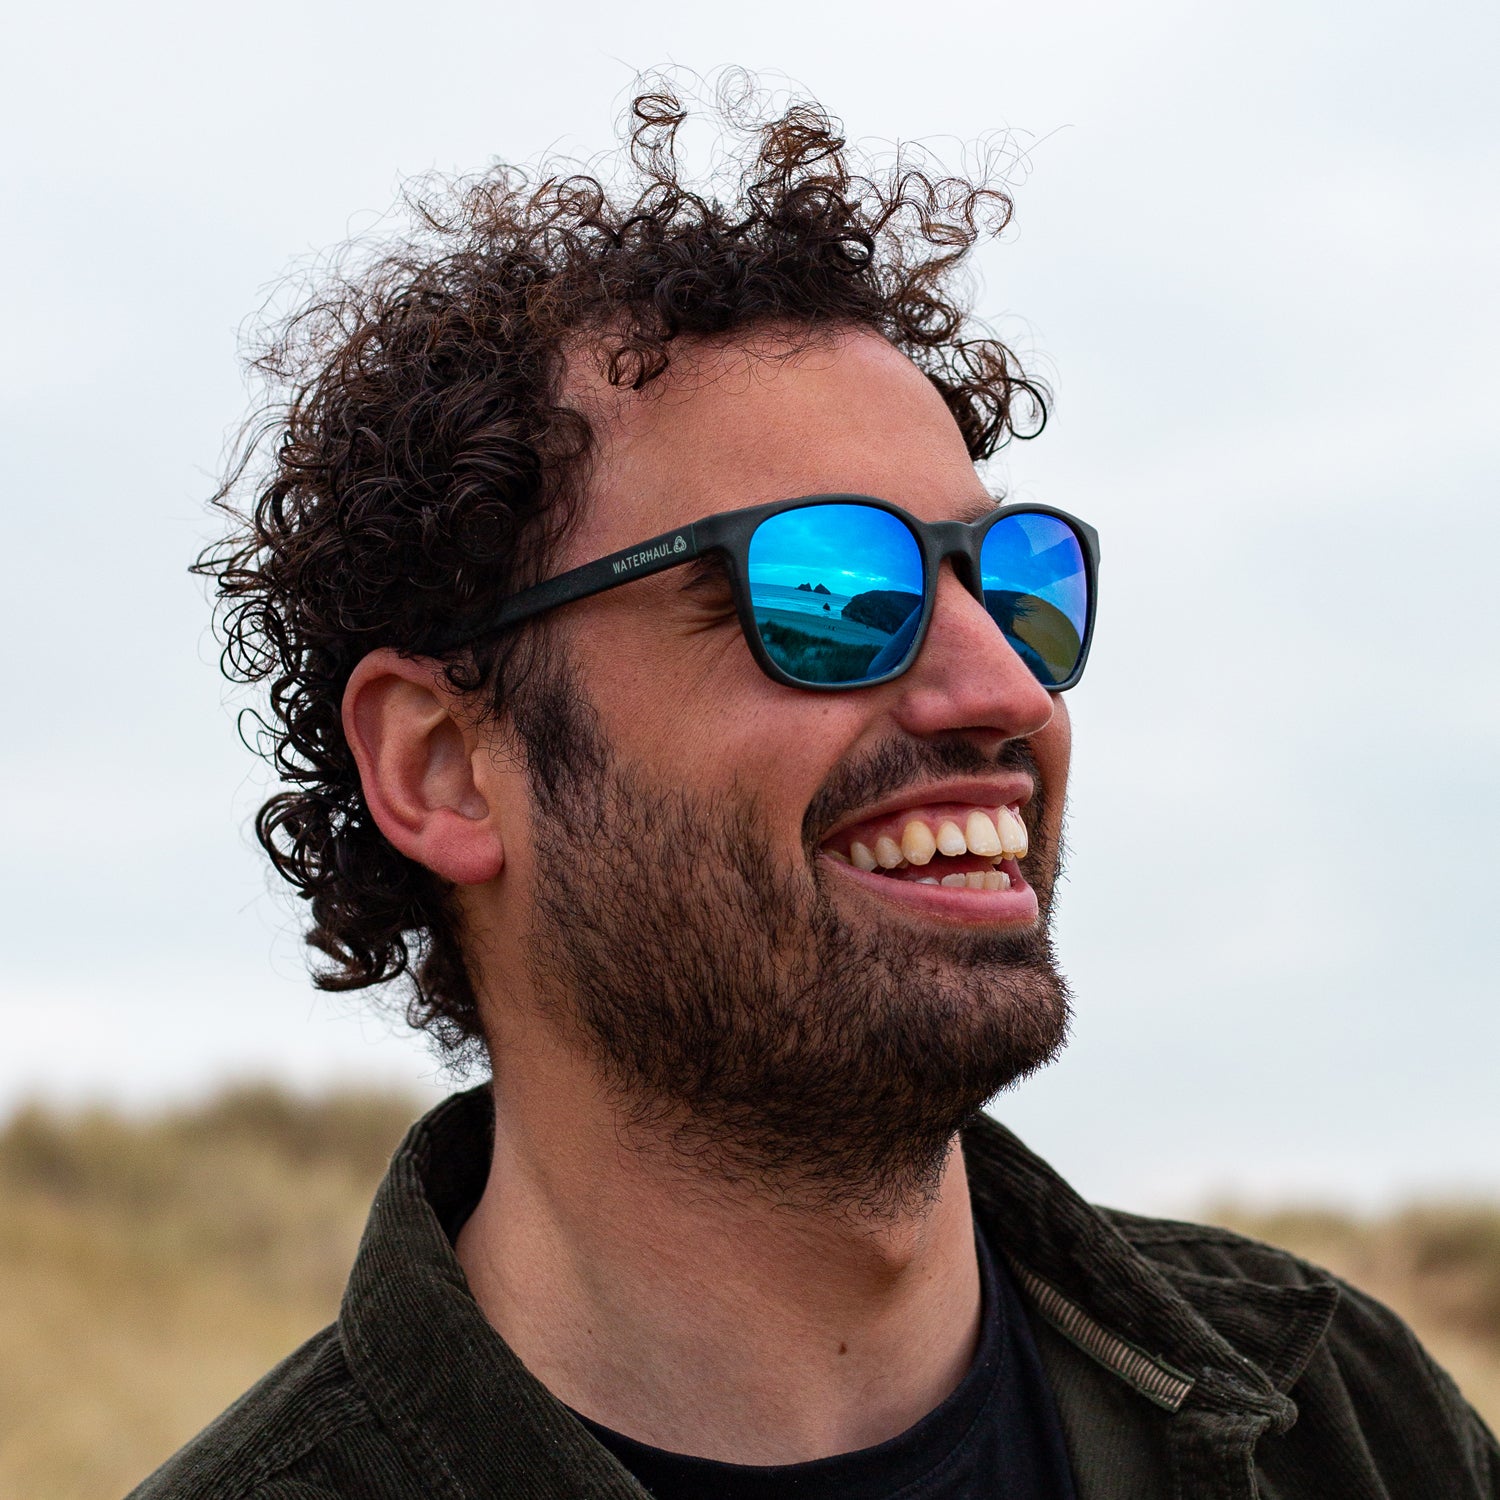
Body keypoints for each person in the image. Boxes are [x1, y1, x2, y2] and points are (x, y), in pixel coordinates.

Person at [131, 83, 1497, 1499]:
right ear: (442, 767)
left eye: (1015, 583)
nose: (1011, 693)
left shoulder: (1348, 1424)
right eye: (827, 590)